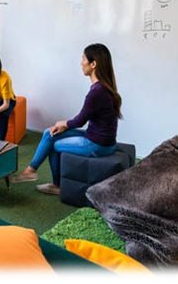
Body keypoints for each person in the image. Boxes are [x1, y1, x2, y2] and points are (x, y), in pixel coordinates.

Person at [11, 43, 122, 195]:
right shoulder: (104, 87)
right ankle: (31, 170)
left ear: (93, 64)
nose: (81, 63)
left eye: (83, 58)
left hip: (98, 145)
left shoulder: (97, 92)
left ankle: (55, 185)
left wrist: (62, 123)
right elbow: (81, 120)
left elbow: (79, 121)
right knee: (49, 133)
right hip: (98, 138)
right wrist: (63, 125)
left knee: (53, 144)